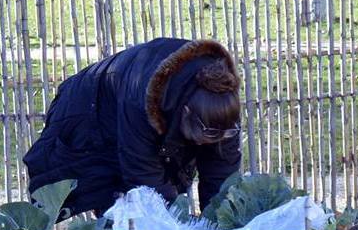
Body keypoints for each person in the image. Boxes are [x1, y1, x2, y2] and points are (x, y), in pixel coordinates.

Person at [23, 37, 242, 219]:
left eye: (225, 134)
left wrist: (219, 224)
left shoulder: (222, 104)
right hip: (89, 111)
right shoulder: (141, 100)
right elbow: (144, 178)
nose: (216, 139)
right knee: (117, 197)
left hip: (138, 109)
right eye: (208, 134)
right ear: (185, 113)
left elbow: (222, 175)